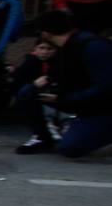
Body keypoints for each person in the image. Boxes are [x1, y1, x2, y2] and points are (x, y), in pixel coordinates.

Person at [14, 9, 112, 157]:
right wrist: (42, 84)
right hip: (84, 103)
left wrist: (65, 98)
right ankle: (43, 137)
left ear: (46, 33)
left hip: (104, 108)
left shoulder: (93, 47)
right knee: (27, 93)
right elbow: (60, 74)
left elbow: (106, 88)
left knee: (70, 148)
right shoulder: (65, 48)